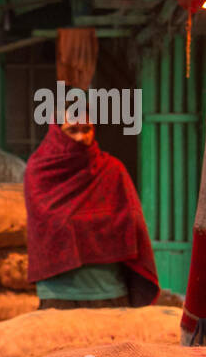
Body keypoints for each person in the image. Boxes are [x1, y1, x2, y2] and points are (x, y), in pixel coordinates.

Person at [24, 116, 160, 309]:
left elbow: (133, 224)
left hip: (109, 291)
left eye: (86, 129)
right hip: (58, 294)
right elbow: (44, 225)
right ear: (57, 132)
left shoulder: (112, 170)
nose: (81, 137)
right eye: (73, 130)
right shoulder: (40, 172)